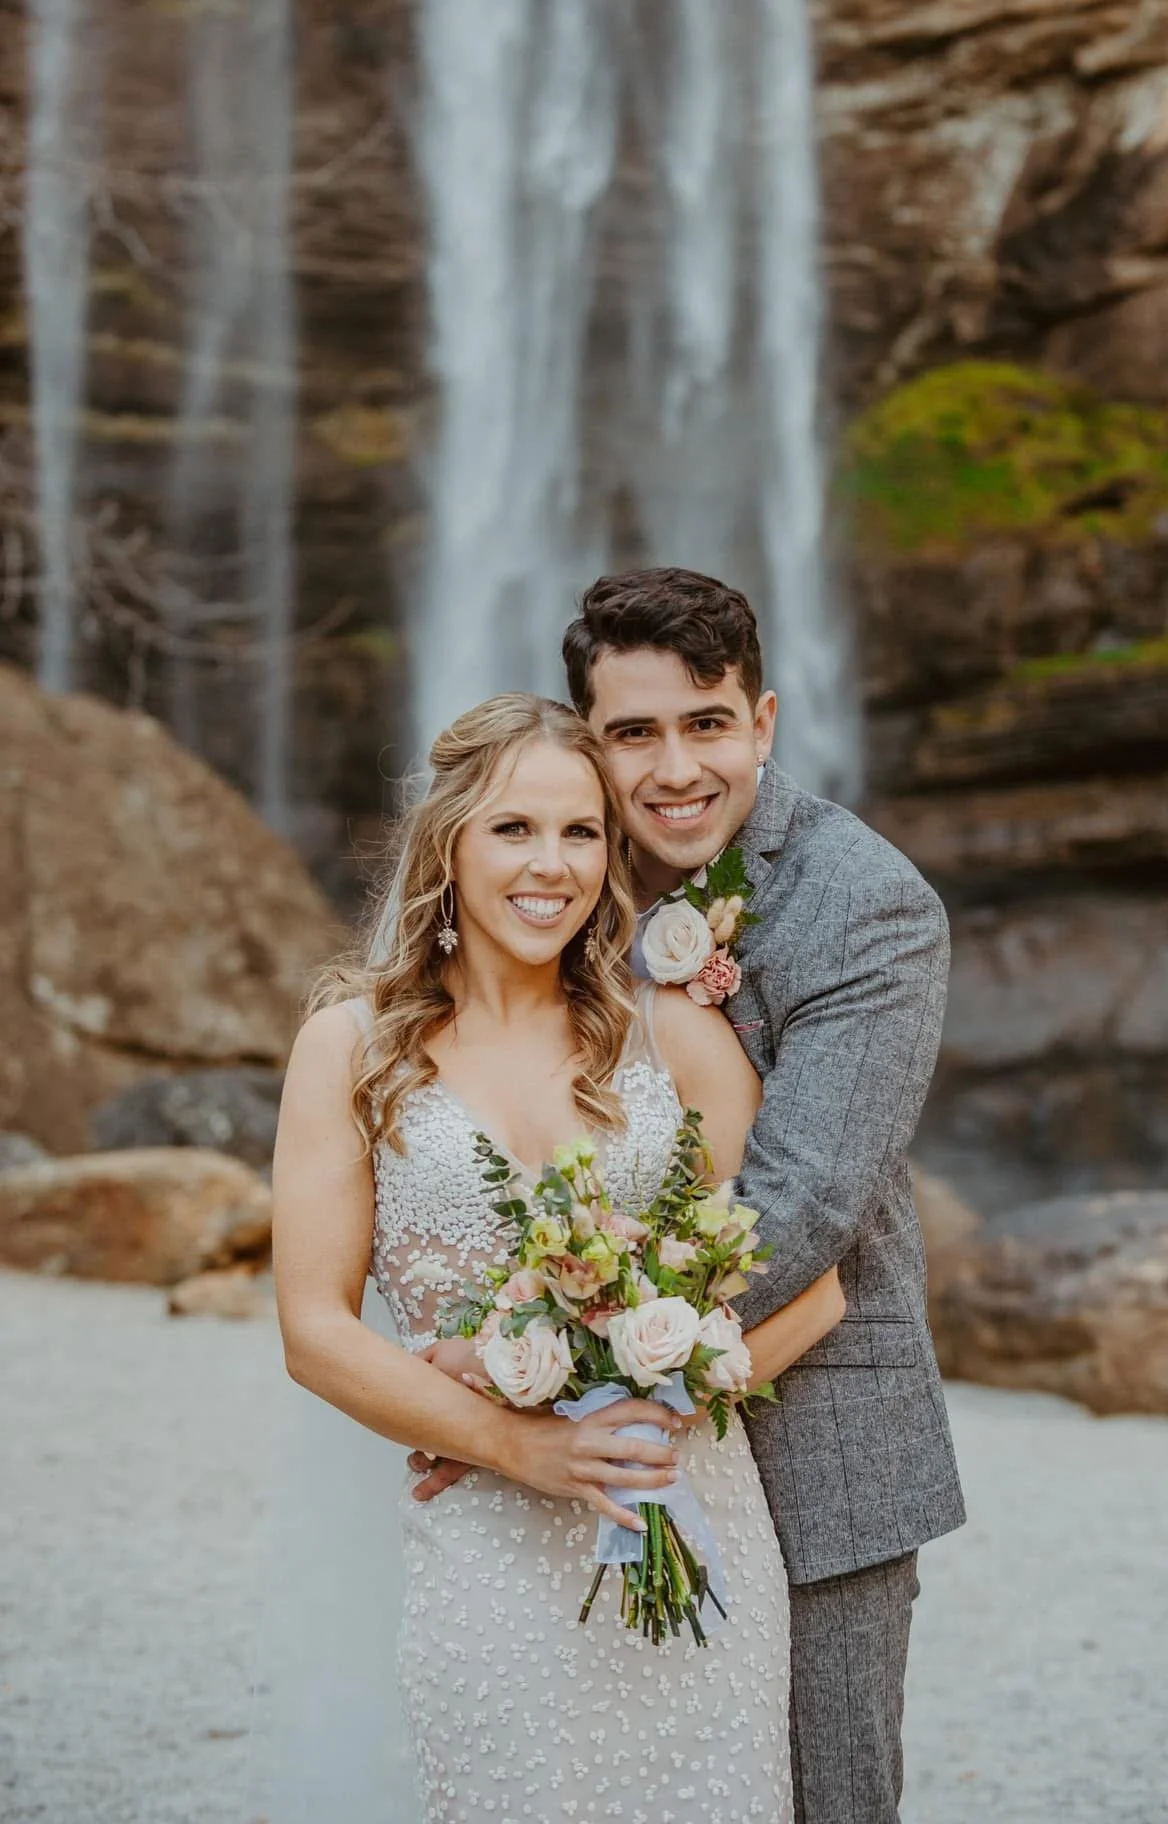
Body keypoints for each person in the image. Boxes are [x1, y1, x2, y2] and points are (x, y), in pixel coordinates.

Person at [416, 569, 964, 1824]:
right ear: (587, 745)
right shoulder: (572, 885)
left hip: (813, 1440)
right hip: (595, 1456)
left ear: (762, 722)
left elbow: (802, 1200)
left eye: (705, 724)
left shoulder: (865, 903)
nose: (674, 768)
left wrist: (523, 1360)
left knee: (824, 1797)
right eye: (634, 733)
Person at [272, 693, 846, 1824]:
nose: (553, 865)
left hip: (689, 1516)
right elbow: (315, 1327)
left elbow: (813, 1286)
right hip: (486, 1545)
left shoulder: (674, 1037)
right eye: (513, 829)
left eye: (581, 831)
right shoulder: (346, 1048)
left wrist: (656, 1391)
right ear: (448, 842)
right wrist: (514, 1441)